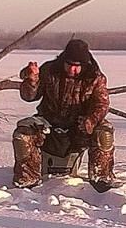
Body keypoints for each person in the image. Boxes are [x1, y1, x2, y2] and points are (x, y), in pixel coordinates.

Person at [12, 39, 119, 192]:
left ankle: (101, 177)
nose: (73, 70)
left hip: (80, 125)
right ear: (63, 60)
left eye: (77, 66)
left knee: (104, 132)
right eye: (69, 64)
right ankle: (28, 179)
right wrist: (32, 79)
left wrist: (91, 120)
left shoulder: (95, 78)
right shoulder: (49, 70)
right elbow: (29, 96)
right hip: (48, 122)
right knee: (23, 133)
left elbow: (101, 104)